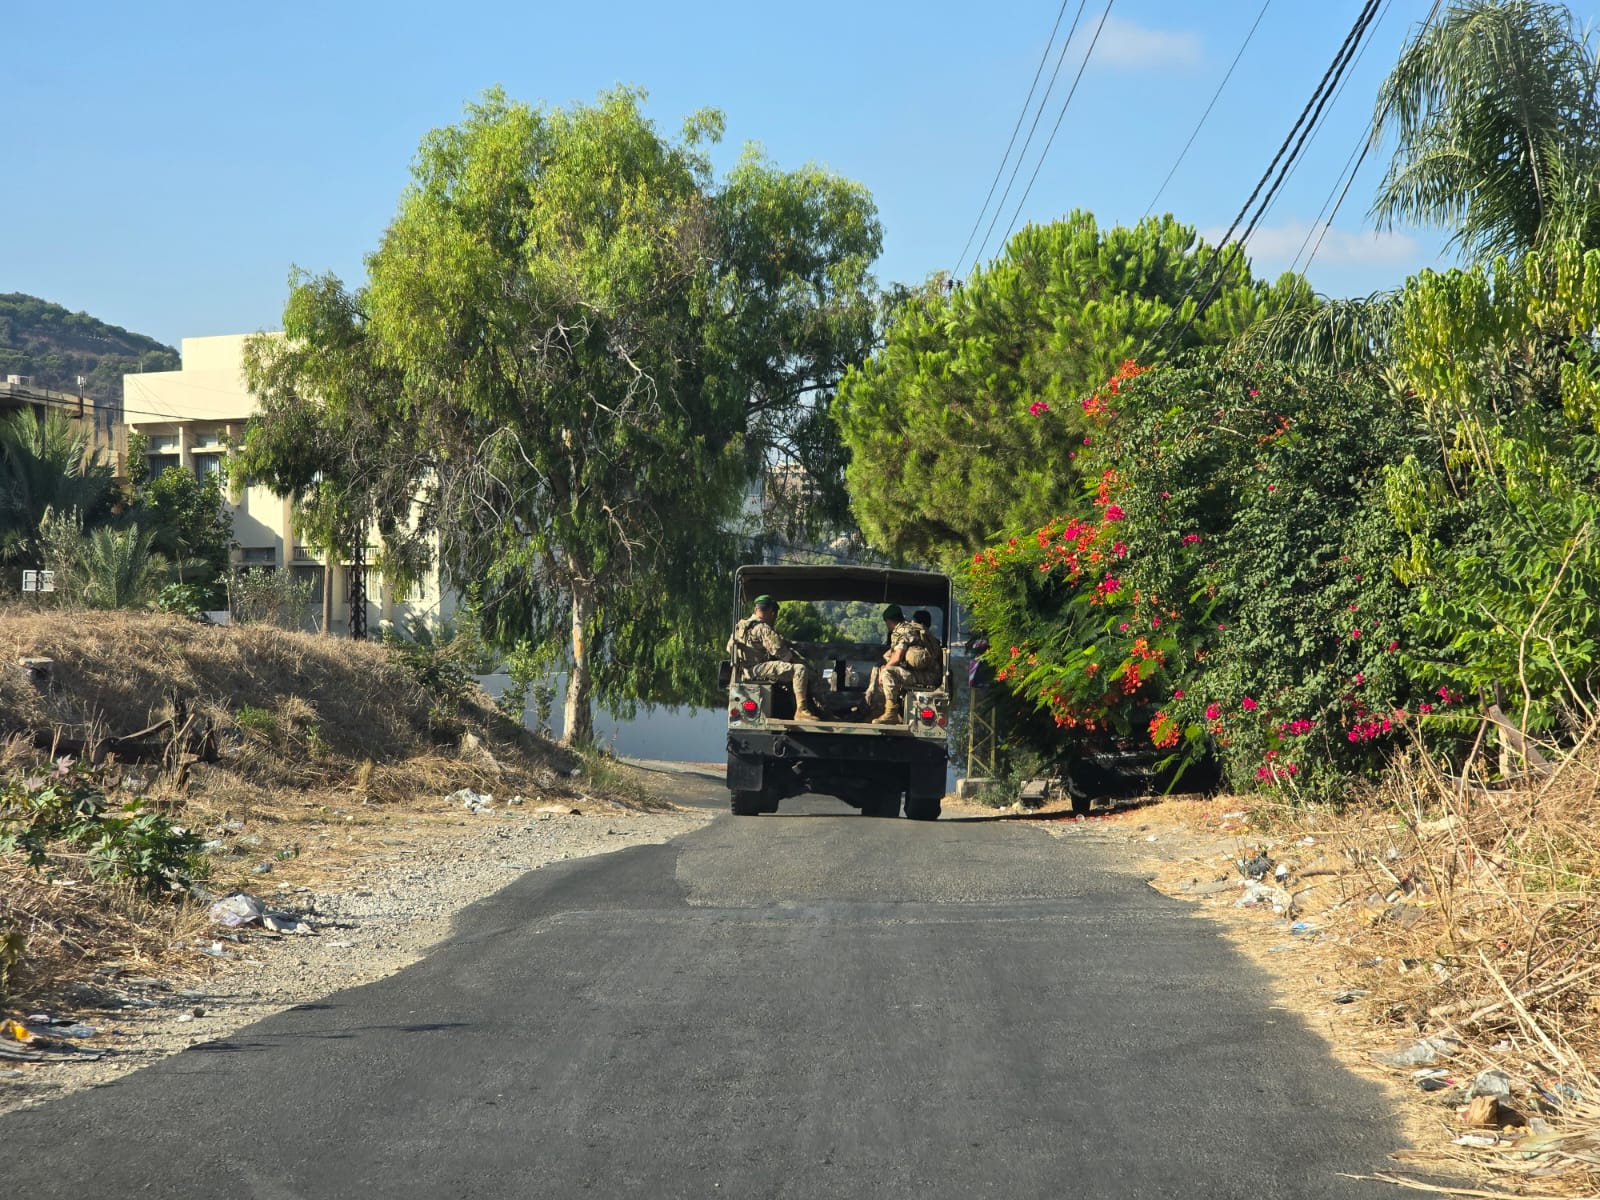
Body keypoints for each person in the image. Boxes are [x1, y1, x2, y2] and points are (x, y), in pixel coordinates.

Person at [727, 594, 827, 721]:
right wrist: (797, 661)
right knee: (799, 670)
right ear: (771, 612)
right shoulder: (762, 628)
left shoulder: (740, 627)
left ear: (755, 609)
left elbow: (729, 648)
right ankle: (801, 710)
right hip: (756, 670)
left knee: (791, 674)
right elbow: (781, 652)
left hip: (745, 671)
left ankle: (803, 709)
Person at [868, 604, 944, 725]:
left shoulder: (904, 631)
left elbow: (897, 657)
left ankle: (890, 713)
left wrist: (884, 670)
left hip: (927, 677)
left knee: (887, 672)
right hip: (927, 675)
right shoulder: (918, 632)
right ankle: (876, 709)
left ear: (889, 621)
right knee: (882, 669)